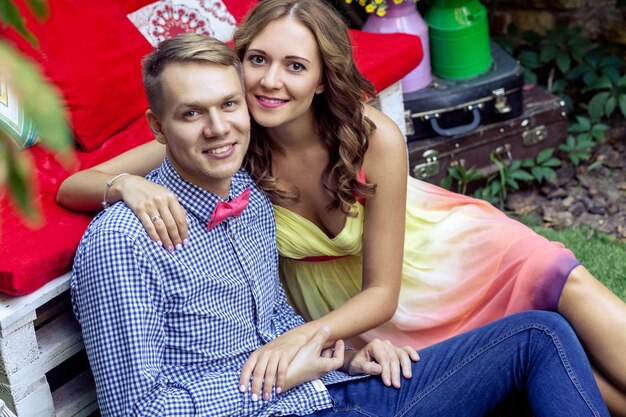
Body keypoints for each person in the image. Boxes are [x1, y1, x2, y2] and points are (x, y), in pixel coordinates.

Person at [59, 0, 626, 413]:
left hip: (424, 261)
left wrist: (313, 344)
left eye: (294, 66)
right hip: (328, 334)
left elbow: (343, 303)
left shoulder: (349, 142)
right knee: (545, 351)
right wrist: (126, 186)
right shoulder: (227, 139)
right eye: (257, 60)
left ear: (323, 79)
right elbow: (78, 185)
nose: (268, 83)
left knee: (558, 302)